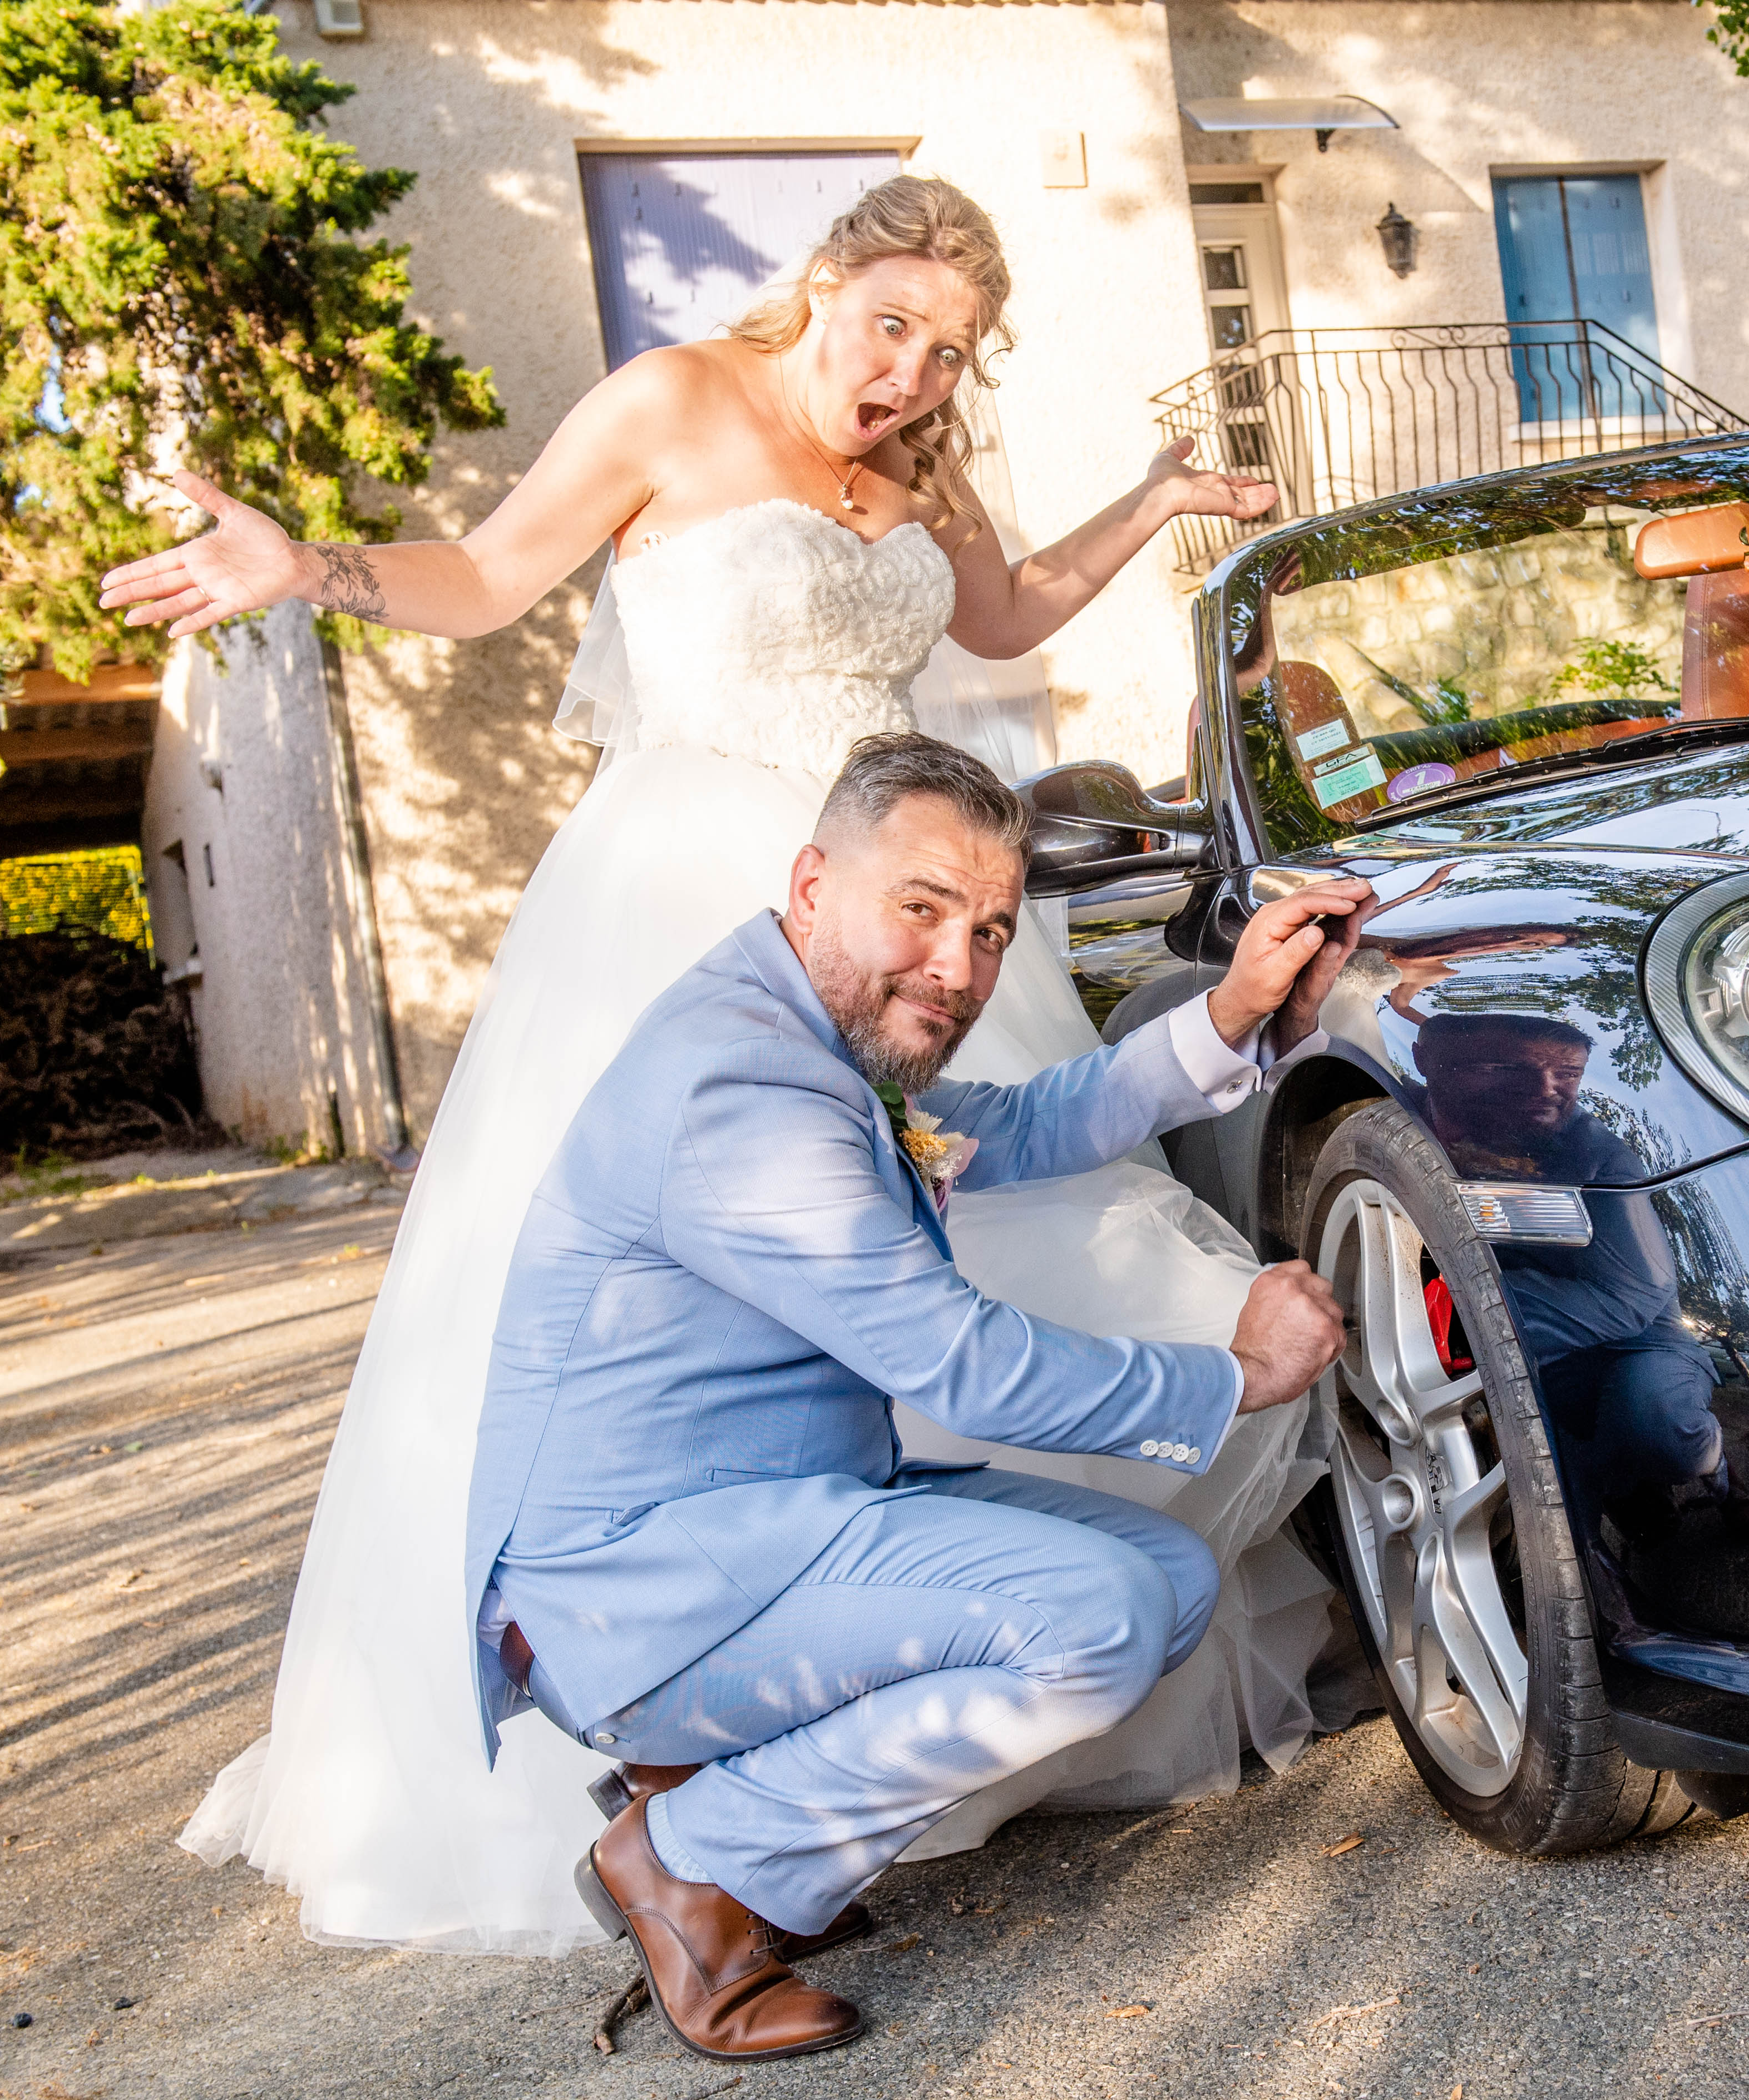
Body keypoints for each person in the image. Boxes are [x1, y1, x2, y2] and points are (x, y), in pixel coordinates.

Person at [98, 176, 1307, 1955]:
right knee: (725, 1303)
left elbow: (1000, 619)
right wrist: (308, 572)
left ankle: (942, 1683)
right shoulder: (669, 400)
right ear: (822, 283)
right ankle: (691, 1722)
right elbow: (488, 577)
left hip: (904, 902)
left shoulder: (927, 463)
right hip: (693, 893)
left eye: (950, 351)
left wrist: (1155, 501)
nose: (912, 374)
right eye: (891, 325)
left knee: (975, 1197)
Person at [478, 737, 1357, 2059]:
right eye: (921, 907)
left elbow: (1023, 1124)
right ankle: (688, 1859)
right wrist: (1234, 1374)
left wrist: (1230, 1012)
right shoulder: (743, 1091)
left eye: (991, 930)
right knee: (1098, 1620)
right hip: (640, 1595)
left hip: (766, 1525)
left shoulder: (807, 1028)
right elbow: (963, 1365)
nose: (958, 966)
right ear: (812, 883)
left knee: (1169, 1579)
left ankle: (716, 1798)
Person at [1407, 1013, 1749, 1552]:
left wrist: (1476, 1319)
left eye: (1568, 1073)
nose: (1546, 1089)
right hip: (1549, 1350)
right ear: (1426, 1061)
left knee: (1660, 1430)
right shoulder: (1412, 1114)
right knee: (1603, 1508)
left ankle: (1719, 1471)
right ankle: (1622, 1492)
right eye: (1510, 1068)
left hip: (1638, 1340)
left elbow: (1634, 1296)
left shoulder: (1602, 1157)